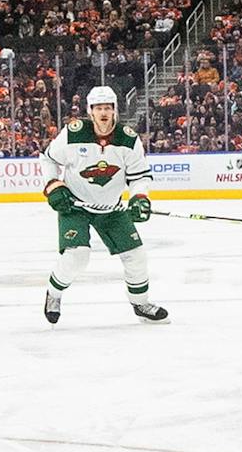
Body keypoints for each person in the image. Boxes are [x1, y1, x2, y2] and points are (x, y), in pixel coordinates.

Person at [41, 86, 166, 326]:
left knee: (136, 256)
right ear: (90, 112)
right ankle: (53, 295)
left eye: (108, 107)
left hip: (112, 209)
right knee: (78, 256)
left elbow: (139, 176)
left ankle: (141, 303)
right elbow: (48, 159)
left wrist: (140, 197)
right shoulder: (73, 133)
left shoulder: (128, 139)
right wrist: (54, 184)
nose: (104, 112)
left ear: (115, 111)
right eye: (99, 108)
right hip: (75, 206)